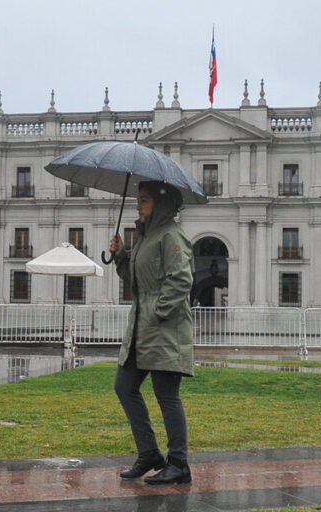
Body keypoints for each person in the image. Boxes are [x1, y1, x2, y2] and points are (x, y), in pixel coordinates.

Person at [109, 180, 194, 485]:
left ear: (160, 203)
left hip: (164, 329)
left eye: (143, 199)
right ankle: (149, 455)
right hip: (141, 328)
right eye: (137, 199)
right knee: (124, 386)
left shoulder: (172, 236)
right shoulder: (146, 237)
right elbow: (137, 281)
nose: (137, 204)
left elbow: (181, 280)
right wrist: (120, 256)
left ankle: (179, 463)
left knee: (166, 396)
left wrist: (158, 313)